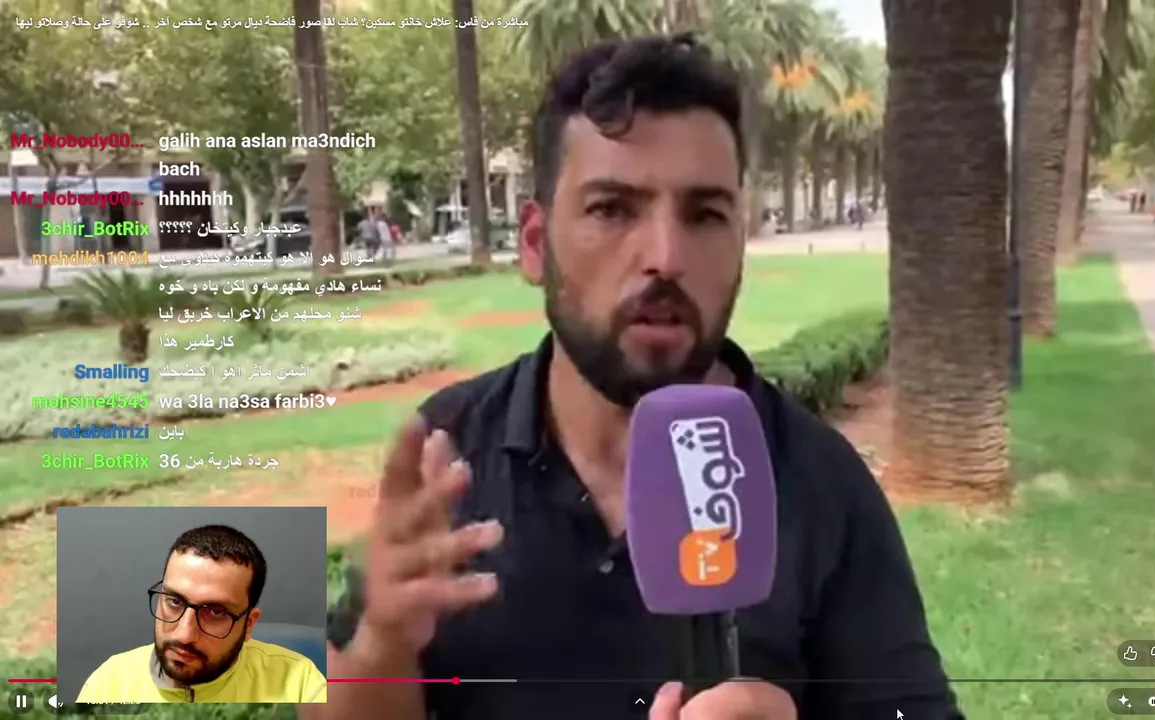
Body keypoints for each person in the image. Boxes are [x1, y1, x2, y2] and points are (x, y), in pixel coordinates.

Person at [308, 34, 961, 720]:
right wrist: (382, 644)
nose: (666, 256)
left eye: (704, 214)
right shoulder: (450, 450)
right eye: (613, 209)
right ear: (535, 244)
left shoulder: (823, 482)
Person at [77, 525, 327, 704]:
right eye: (174, 601)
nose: (184, 635)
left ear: (248, 624)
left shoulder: (300, 684)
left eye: (215, 612)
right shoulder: (109, 681)